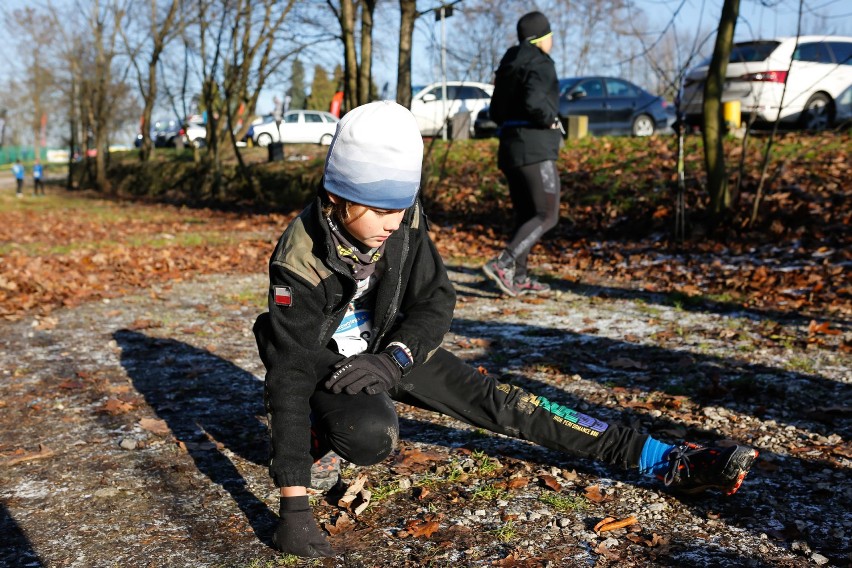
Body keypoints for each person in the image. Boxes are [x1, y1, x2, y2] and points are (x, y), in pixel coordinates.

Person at [252, 100, 758, 559]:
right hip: (325, 361)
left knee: (506, 403)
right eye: (381, 210)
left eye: (401, 207)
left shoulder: (403, 221)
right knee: (369, 436)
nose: (394, 222)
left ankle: (663, 459)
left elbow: (435, 299)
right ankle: (319, 434)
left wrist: (397, 358)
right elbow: (289, 374)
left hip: (386, 350)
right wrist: (293, 505)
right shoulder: (300, 262)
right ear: (340, 197)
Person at [482, 11, 564, 297]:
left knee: (526, 215)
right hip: (535, 148)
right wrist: (550, 119)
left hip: (510, 148)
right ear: (542, 37)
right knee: (547, 214)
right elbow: (535, 102)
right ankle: (503, 264)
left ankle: (519, 277)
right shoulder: (541, 62)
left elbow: (495, 111)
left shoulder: (509, 64)